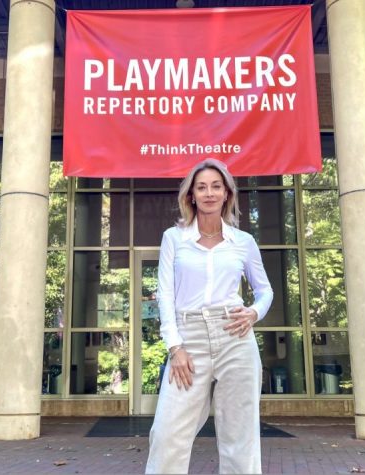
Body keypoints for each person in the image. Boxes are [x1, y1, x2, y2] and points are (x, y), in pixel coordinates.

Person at [145, 158, 273, 474]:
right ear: (191, 195)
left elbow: (265, 290)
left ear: (227, 193)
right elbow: (165, 297)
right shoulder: (173, 238)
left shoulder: (243, 242)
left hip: (235, 337)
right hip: (188, 339)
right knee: (166, 433)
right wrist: (175, 348)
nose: (209, 193)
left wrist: (254, 313)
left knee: (239, 437)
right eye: (201, 187)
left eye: (216, 186)